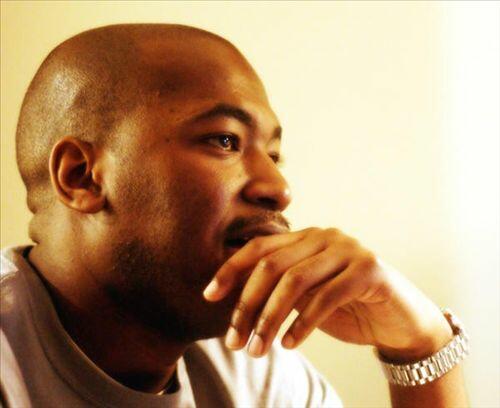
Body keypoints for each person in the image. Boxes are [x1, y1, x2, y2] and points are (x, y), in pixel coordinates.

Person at [1, 24, 469, 407]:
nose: (279, 190)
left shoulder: (254, 372)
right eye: (225, 141)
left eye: (274, 155)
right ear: (81, 177)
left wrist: (420, 346)